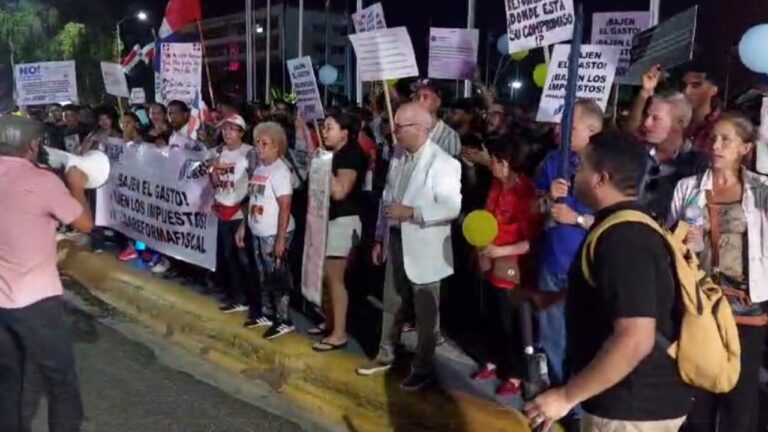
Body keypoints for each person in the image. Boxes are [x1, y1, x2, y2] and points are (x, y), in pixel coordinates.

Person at [524, 130, 691, 432]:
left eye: (581, 167)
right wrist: (558, 298)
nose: (574, 173)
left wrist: (565, 396)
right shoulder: (621, 224)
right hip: (625, 402)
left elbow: (636, 338)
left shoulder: (624, 238)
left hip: (631, 408)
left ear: (601, 179)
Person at [669, 114, 767, 432]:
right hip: (701, 303)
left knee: (740, 395)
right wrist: (686, 238)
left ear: (745, 148)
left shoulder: (761, 189)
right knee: (699, 389)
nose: (716, 146)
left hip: (747, 307)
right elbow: (671, 241)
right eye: (713, 138)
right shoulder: (689, 187)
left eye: (727, 140)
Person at [356, 103, 461, 391]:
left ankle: (424, 367)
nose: (394, 131)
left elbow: (452, 207)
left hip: (426, 247)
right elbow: (387, 201)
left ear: (420, 129)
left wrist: (413, 212)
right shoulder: (398, 156)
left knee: (426, 315)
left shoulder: (444, 163)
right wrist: (380, 237)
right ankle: (386, 353)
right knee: (391, 304)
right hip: (395, 241)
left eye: (400, 127)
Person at [0, 116, 94, 432]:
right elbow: (83, 224)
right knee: (61, 383)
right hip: (36, 300)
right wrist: (77, 186)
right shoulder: (42, 181)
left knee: (8, 383)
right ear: (32, 145)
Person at [533, 100, 603, 391]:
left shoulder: (606, 166)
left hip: (587, 268)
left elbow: (616, 219)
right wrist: (549, 198)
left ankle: (576, 401)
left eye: (569, 127)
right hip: (552, 263)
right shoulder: (552, 161)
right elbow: (534, 207)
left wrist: (577, 219)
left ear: (591, 130)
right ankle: (556, 393)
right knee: (551, 334)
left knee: (583, 336)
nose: (560, 130)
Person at [470, 139, 537, 396]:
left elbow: (529, 241)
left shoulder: (525, 193)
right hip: (489, 264)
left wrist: (500, 252)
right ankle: (492, 361)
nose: (492, 165)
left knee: (512, 325)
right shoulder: (496, 186)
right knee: (491, 319)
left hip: (510, 269)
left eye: (496, 161)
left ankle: (515, 374)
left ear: (507, 164)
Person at [310, 110, 367, 352]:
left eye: (329, 127)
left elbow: (340, 191)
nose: (324, 131)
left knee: (335, 279)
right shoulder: (335, 154)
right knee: (325, 276)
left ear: (345, 133)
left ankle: (339, 333)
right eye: (323, 127)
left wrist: (325, 164)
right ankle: (330, 321)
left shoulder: (350, 156)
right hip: (328, 219)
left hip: (343, 221)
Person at [237, 121, 296, 340]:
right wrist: (244, 226)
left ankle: (284, 320)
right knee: (262, 274)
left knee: (276, 276)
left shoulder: (280, 171)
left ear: (277, 147)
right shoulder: (261, 168)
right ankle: (268, 313)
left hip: (274, 233)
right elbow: (254, 199)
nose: (259, 147)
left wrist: (280, 239)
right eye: (257, 143)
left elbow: (285, 207)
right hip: (259, 231)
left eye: (264, 143)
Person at [210, 114, 258, 314]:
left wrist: (246, 216)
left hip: (240, 212)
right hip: (223, 210)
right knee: (229, 257)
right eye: (224, 129)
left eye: (232, 129)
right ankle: (237, 297)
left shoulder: (249, 153)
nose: (227, 133)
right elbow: (214, 183)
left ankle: (254, 301)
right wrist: (213, 169)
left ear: (241, 132)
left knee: (245, 259)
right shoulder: (218, 152)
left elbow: (255, 185)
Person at [638, 92, 708, 221]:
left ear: (680, 123)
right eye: (647, 116)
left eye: (656, 118)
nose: (646, 123)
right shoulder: (634, 154)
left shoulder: (698, 164)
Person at [626, 64, 721, 152]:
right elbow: (632, 135)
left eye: (696, 85)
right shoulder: (668, 112)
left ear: (713, 90)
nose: (687, 91)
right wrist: (644, 92)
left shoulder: (719, 126)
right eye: (684, 85)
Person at [412, 79, 461, 157]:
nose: (420, 101)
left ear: (438, 101)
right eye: (417, 97)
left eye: (425, 97)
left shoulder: (449, 136)